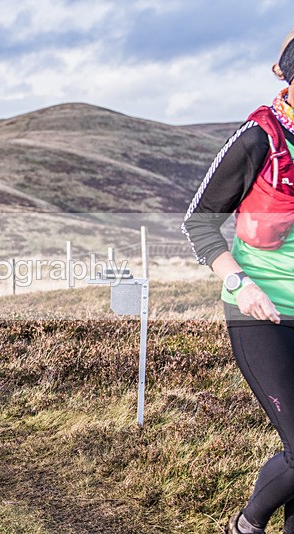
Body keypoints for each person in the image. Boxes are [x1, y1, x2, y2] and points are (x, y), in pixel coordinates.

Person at [182, 30, 294, 534]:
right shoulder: (260, 138)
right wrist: (240, 283)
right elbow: (199, 222)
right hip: (262, 312)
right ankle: (246, 527)